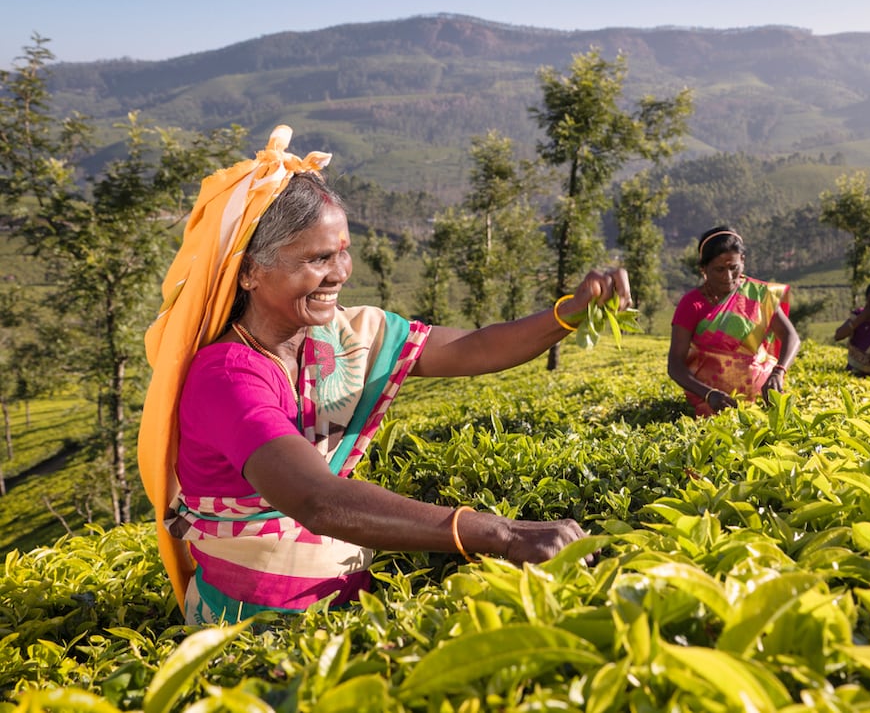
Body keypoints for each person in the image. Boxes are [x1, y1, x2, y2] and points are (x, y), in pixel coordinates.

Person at [138, 126, 631, 623]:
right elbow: (316, 499)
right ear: (249, 271)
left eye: (343, 251)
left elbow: (473, 347)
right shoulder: (226, 376)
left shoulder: (345, 336)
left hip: (346, 609)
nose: (340, 272)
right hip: (249, 628)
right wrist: (503, 533)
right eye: (318, 258)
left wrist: (568, 313)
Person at [667, 226, 800, 417]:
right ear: (703, 269)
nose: (728, 277)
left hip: (762, 396)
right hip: (710, 401)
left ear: (742, 261)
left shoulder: (758, 295)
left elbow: (791, 337)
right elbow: (675, 365)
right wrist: (709, 394)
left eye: (733, 268)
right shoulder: (692, 304)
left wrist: (778, 372)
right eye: (719, 270)